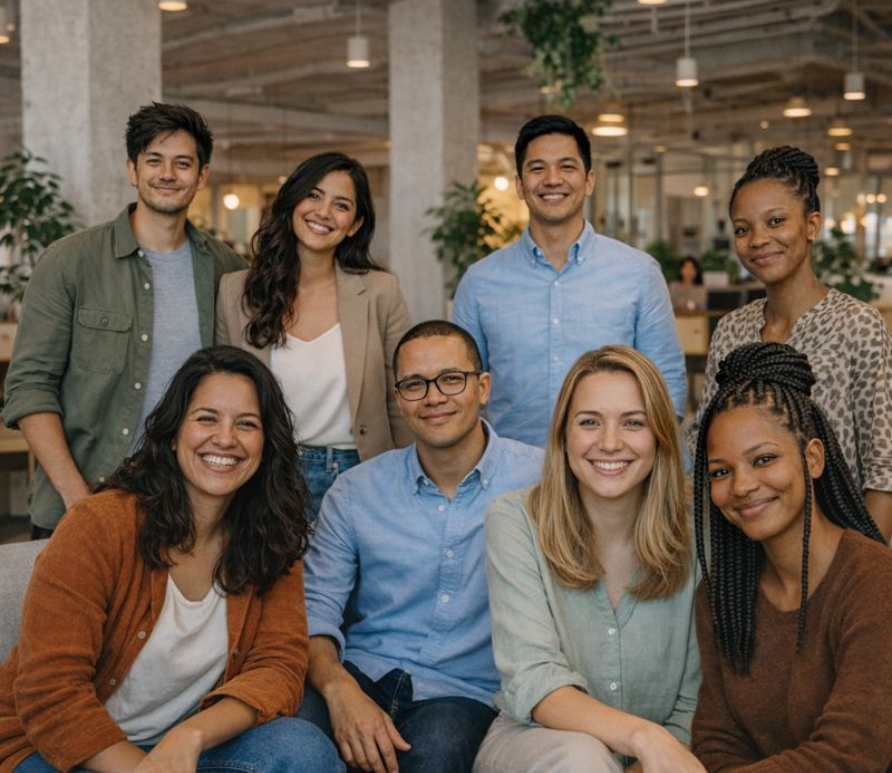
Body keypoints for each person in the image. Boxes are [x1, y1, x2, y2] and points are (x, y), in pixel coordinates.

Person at [379, 346, 707, 773]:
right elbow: (533, 681)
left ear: (660, 435)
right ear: (563, 436)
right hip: (522, 753)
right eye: (589, 422)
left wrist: (641, 759)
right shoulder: (515, 520)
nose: (610, 443)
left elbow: (688, 714)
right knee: (579, 768)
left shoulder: (697, 539)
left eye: (632, 423)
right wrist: (641, 737)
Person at [626, 342, 892, 773]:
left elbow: (849, 756)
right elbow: (718, 745)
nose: (742, 484)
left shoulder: (873, 579)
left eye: (763, 459)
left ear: (811, 458)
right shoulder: (726, 598)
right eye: (719, 471)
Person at [0, 346, 344, 773]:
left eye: (246, 424)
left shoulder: (269, 537)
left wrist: (186, 741)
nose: (225, 439)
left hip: (173, 748)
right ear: (172, 432)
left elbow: (279, 668)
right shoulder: (100, 526)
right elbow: (49, 696)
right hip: (43, 756)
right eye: (206, 418)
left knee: (306, 757)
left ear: (267, 444)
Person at [298, 319, 543, 773]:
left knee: (430, 749)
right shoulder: (357, 492)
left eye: (451, 379)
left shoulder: (544, 483)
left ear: (483, 386)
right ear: (399, 399)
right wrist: (338, 689)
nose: (434, 396)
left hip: (466, 695)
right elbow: (315, 612)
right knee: (286, 735)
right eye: (415, 384)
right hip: (365, 673)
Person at [3, 102, 246, 538]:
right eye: (154, 160)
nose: (167, 173)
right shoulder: (70, 262)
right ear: (133, 170)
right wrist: (78, 502)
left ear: (202, 176)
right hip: (83, 503)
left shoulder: (225, 268)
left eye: (182, 163)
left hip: (187, 507)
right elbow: (29, 386)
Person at [686, 145, 892, 539]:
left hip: (840, 547)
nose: (759, 239)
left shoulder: (857, 325)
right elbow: (705, 444)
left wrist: (862, 574)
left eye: (775, 221)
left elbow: (884, 468)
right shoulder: (731, 330)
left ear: (812, 226)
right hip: (746, 549)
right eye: (743, 229)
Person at [451, 114, 686, 447]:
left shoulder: (638, 273)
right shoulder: (479, 282)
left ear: (589, 181)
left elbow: (667, 385)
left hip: (611, 470)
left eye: (567, 167)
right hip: (513, 477)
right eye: (537, 169)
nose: (552, 180)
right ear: (519, 184)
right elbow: (462, 388)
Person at [215, 151, 412, 515]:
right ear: (292, 201)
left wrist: (410, 480)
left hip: (361, 474)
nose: (323, 213)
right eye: (314, 196)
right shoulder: (236, 291)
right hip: (267, 475)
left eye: (341, 205)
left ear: (354, 224)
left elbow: (401, 398)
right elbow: (221, 395)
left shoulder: (381, 292)